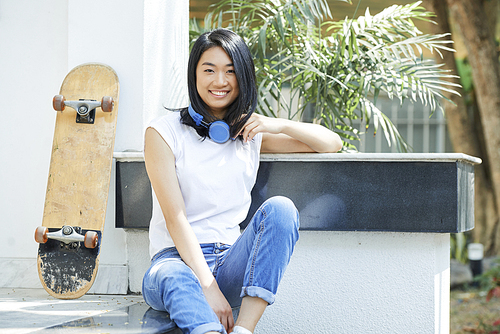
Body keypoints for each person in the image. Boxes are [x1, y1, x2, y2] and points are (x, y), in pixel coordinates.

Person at [142, 28, 342, 334]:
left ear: (243, 78)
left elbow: (331, 143)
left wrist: (278, 124)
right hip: (174, 262)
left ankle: (245, 330)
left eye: (230, 72)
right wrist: (208, 288)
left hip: (229, 261)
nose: (219, 81)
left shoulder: (249, 135)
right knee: (176, 276)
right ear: (194, 74)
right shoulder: (163, 133)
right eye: (209, 70)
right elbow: (175, 217)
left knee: (282, 209)